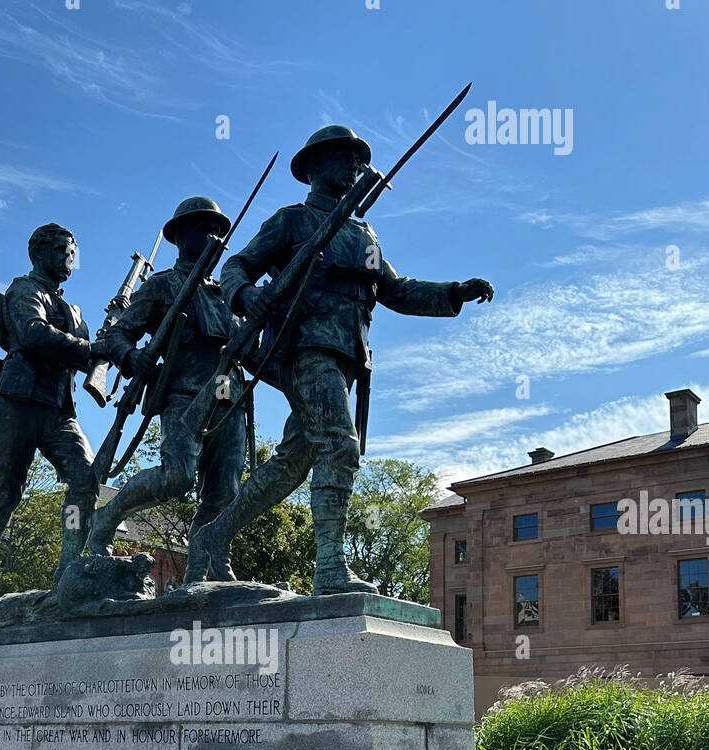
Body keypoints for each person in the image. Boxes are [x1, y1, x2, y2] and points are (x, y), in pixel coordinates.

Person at [186, 125, 494, 594]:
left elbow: (396, 290)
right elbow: (237, 265)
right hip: (304, 349)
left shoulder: (365, 233)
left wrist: (454, 292)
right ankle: (330, 567)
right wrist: (246, 296)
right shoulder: (291, 221)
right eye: (343, 156)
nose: (354, 164)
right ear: (314, 166)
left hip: (348, 356)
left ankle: (214, 534)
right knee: (339, 445)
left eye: (357, 157)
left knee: (292, 463)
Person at [86, 196, 246, 578]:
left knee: (225, 489)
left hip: (229, 395)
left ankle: (207, 562)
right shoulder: (162, 285)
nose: (214, 236)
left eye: (218, 230)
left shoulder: (228, 293)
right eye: (205, 229)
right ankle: (108, 515)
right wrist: (132, 357)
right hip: (184, 393)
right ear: (181, 236)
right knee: (177, 477)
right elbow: (118, 334)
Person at [0, 223, 99, 622]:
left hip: (58, 409)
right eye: (59, 251)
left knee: (85, 477)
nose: (67, 258)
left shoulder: (75, 311)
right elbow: (34, 334)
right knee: (4, 489)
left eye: (71, 252)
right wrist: (93, 349)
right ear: (38, 254)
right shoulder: (24, 290)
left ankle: (68, 570)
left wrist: (116, 350)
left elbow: (91, 356)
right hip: (19, 400)